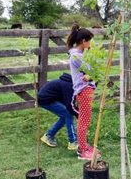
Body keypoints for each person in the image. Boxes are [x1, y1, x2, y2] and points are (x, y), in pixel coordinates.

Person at [67, 23, 99, 160]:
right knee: (84, 121)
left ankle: (84, 146)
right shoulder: (76, 56)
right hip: (84, 90)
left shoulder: (79, 54)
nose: (91, 43)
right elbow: (92, 70)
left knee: (85, 119)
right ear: (84, 41)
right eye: (89, 40)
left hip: (86, 89)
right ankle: (82, 150)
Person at [39, 73, 78, 150]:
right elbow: (70, 105)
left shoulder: (69, 83)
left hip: (51, 98)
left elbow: (68, 102)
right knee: (68, 115)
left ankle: (48, 136)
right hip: (45, 100)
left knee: (65, 116)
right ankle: (73, 142)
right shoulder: (69, 85)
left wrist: (77, 113)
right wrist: (78, 115)